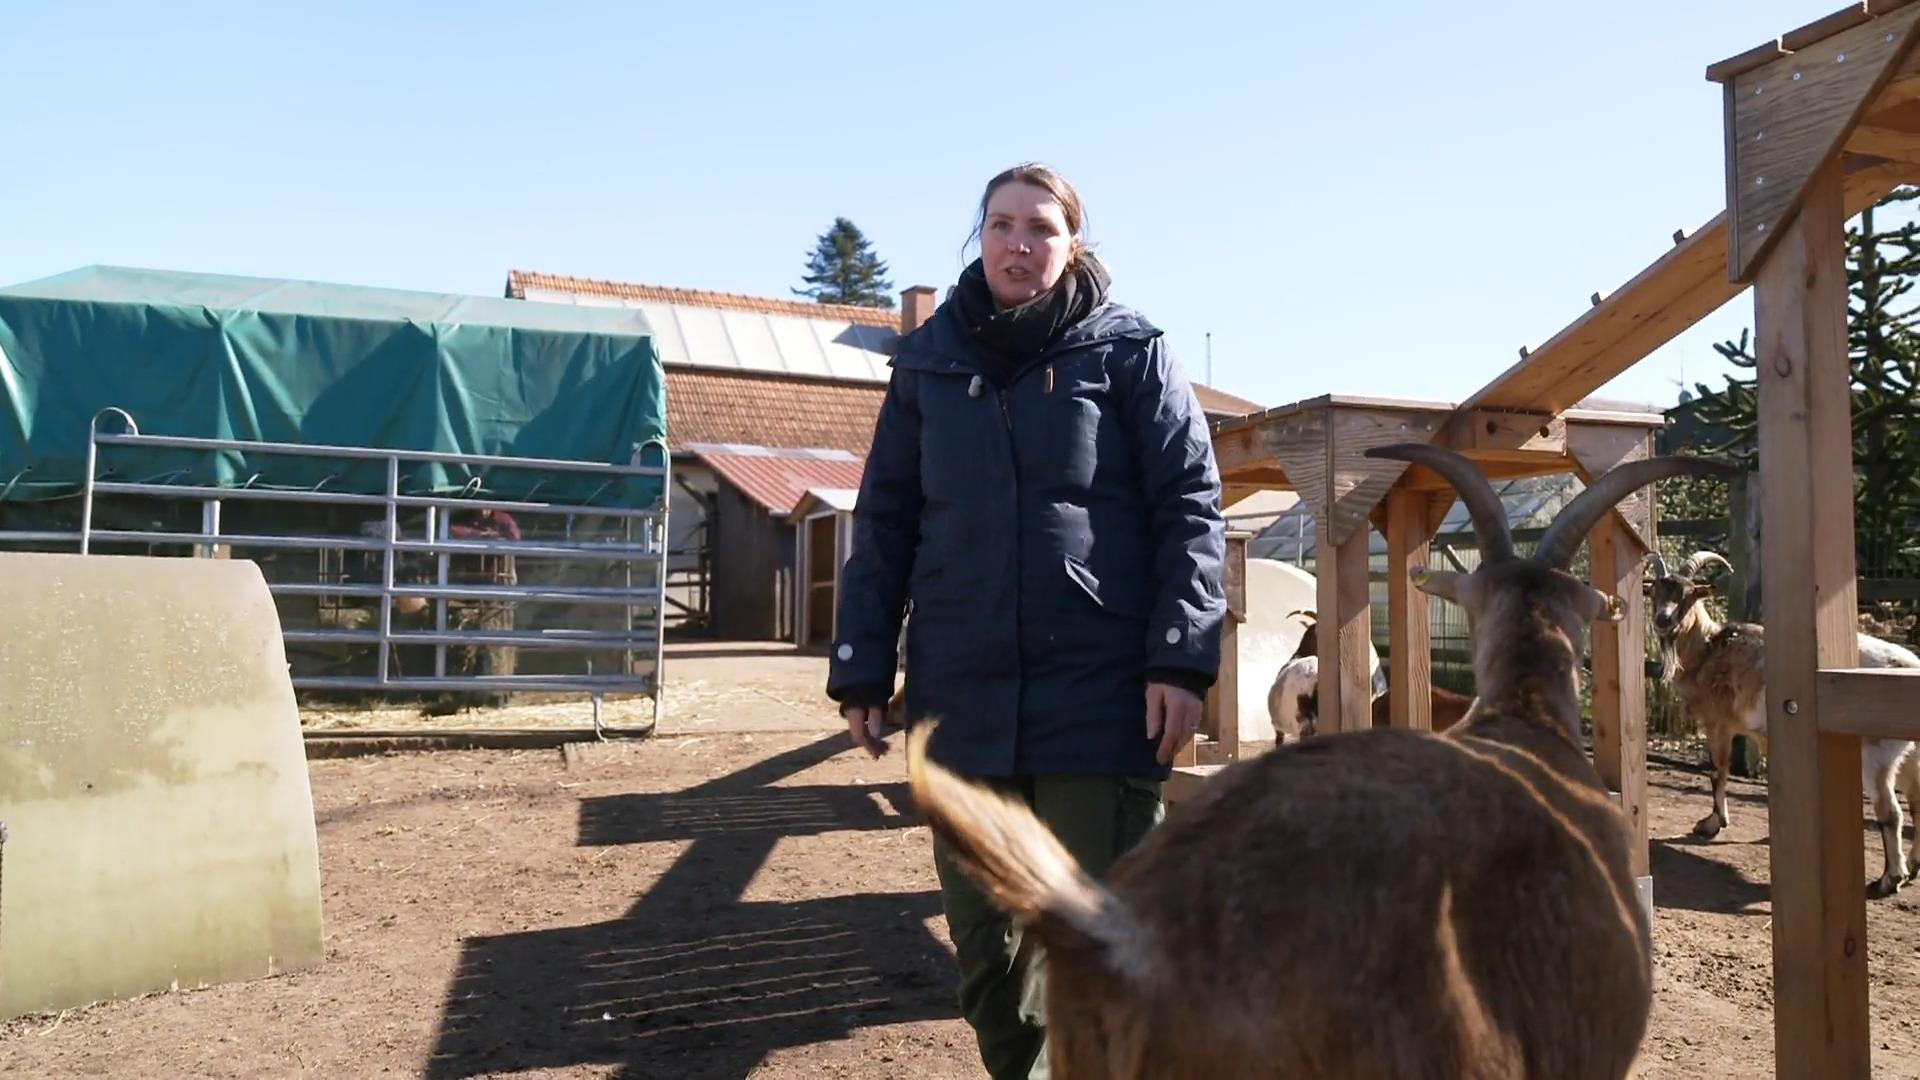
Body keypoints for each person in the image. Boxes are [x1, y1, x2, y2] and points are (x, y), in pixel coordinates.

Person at [825, 162, 1227, 1079]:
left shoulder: (1130, 351)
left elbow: (1189, 507)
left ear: (1072, 243)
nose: (1019, 243)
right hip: (959, 696)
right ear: (980, 239)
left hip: (1101, 694)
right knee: (988, 957)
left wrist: (1180, 658)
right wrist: (861, 664)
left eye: (1041, 227)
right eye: (1001, 224)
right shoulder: (927, 364)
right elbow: (884, 519)